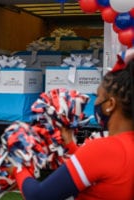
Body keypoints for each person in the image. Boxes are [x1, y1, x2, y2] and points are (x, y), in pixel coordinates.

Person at [9, 56, 134, 199]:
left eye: (98, 96)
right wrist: (70, 143)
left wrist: (18, 168)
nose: (96, 102)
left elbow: (38, 196)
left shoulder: (104, 149)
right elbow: (97, 167)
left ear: (110, 104)